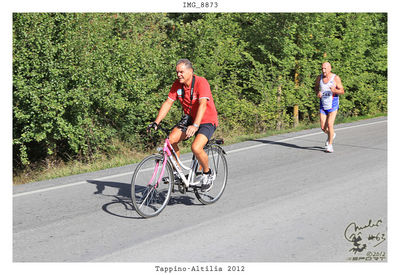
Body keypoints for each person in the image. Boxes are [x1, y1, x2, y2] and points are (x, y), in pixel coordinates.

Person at [148, 59, 218, 190]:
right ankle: (177, 173)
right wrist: (156, 122)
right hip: (190, 119)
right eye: (177, 72)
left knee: (196, 148)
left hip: (206, 120)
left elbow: (203, 104)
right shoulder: (177, 85)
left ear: (190, 71)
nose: (178, 75)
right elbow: (168, 103)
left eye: (181, 72)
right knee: (170, 140)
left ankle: (207, 173)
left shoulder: (201, 82)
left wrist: (196, 125)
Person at [314, 62, 344, 153]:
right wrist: (318, 93)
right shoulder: (319, 78)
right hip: (323, 104)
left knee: (330, 124)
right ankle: (332, 134)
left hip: (333, 104)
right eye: (322, 69)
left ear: (330, 68)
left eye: (325, 69)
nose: (323, 71)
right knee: (323, 127)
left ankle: (330, 145)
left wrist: (334, 90)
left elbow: (342, 91)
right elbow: (315, 88)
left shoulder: (335, 78)